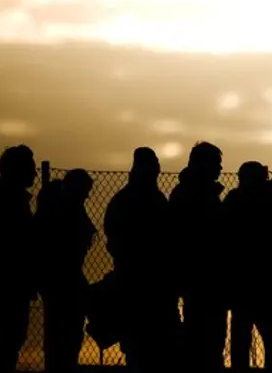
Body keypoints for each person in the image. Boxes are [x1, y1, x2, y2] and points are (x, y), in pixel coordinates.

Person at [104, 148, 179, 373]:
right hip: (141, 281)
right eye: (152, 165)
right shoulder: (140, 200)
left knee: (148, 343)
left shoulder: (137, 199)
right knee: (143, 343)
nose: (156, 169)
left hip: (150, 280)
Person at [225, 161, 272, 371]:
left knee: (241, 333)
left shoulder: (234, 200)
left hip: (241, 278)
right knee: (271, 332)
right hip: (264, 278)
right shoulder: (268, 200)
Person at [169, 142, 227, 371]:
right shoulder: (194, 196)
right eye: (216, 164)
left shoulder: (191, 193)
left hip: (203, 277)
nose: (220, 169)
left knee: (205, 336)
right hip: (201, 278)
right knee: (204, 336)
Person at [0, 145, 37, 373]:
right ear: (17, 170)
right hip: (6, 280)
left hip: (5, 279)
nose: (34, 174)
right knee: (10, 335)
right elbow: (11, 245)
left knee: (10, 336)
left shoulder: (0, 198)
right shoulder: (6, 201)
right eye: (30, 168)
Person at [36, 170, 95, 373]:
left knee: (61, 331)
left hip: (62, 278)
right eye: (85, 191)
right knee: (64, 332)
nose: (86, 196)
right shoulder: (65, 210)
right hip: (63, 279)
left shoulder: (65, 207)